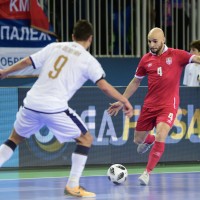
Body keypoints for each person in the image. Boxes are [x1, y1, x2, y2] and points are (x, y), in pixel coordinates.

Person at [0, 20, 133, 197]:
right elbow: (104, 87)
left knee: (14, 139)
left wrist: (4, 72)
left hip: (31, 103)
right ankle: (72, 185)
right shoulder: (88, 61)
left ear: (72, 36)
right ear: (90, 39)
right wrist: (125, 100)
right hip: (53, 107)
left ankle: (73, 185)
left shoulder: (55, 47)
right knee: (85, 139)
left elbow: (27, 61)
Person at [108, 27, 200, 186]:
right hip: (150, 105)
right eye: (149, 41)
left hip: (168, 106)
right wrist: (122, 100)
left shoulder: (177, 55)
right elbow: (136, 81)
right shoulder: (146, 59)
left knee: (161, 135)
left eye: (155, 41)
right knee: (138, 140)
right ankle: (148, 140)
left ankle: (147, 172)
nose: (151, 44)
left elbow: (196, 58)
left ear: (163, 40)